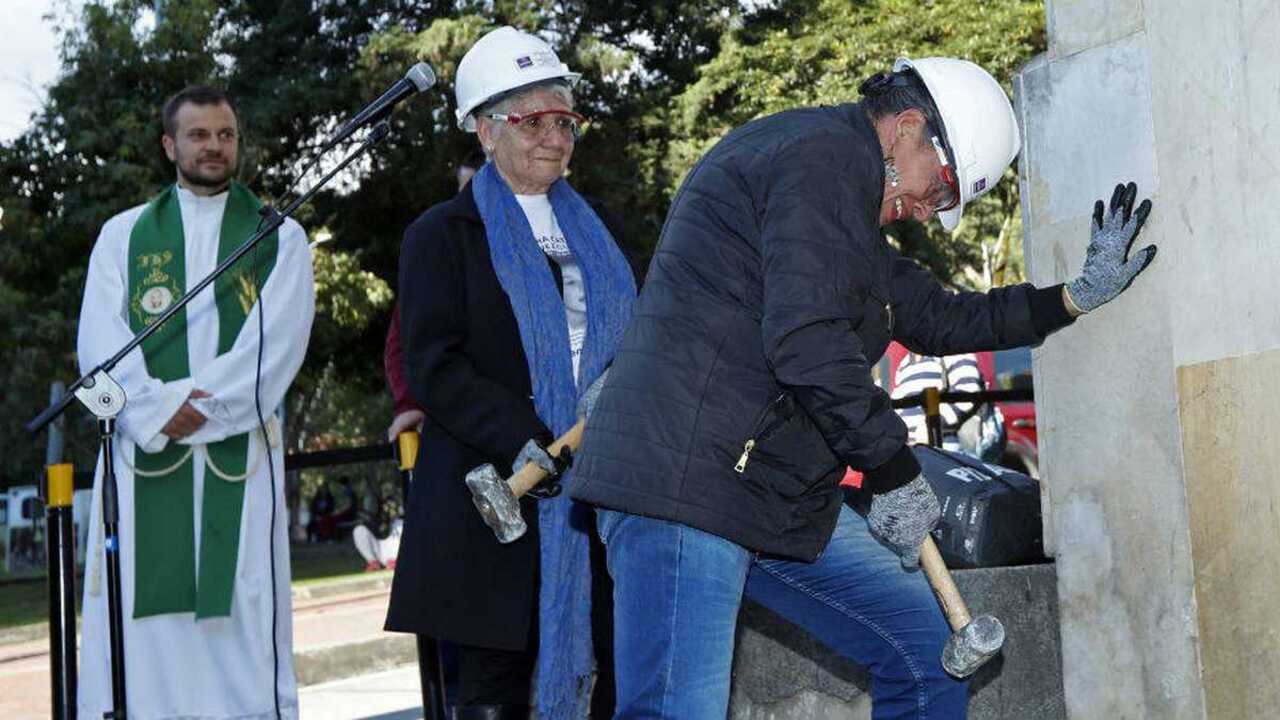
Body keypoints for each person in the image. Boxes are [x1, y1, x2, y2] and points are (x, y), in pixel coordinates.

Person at [569, 57, 1156, 719]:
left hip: (764, 494)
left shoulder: (844, 221)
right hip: (683, 479)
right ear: (910, 128)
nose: (931, 213)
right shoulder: (817, 158)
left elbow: (943, 316)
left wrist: (1072, 299)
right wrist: (892, 470)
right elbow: (806, 341)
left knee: (928, 655)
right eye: (942, 189)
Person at [385, 26, 637, 720]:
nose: (555, 137)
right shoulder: (440, 235)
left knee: (613, 688)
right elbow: (433, 365)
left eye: (565, 121)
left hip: (601, 506)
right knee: (491, 699)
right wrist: (524, 437)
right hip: (492, 513)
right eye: (533, 121)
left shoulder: (606, 231)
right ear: (484, 129)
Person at [76, 85, 315, 718]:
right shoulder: (122, 236)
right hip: (140, 459)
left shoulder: (278, 237)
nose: (214, 146)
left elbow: (276, 346)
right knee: (143, 632)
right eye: (199, 135)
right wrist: (152, 411)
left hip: (241, 462)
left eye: (226, 134)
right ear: (169, 145)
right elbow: (100, 341)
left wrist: (197, 412)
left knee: (242, 614)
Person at [384, 148, 486, 442]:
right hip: (458, 420)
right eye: (462, 191)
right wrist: (408, 404)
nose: (467, 201)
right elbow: (400, 343)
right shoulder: (440, 249)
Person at [891, 351, 1000, 457]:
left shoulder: (952, 350)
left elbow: (969, 392)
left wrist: (931, 425)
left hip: (944, 453)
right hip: (915, 454)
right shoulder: (905, 363)